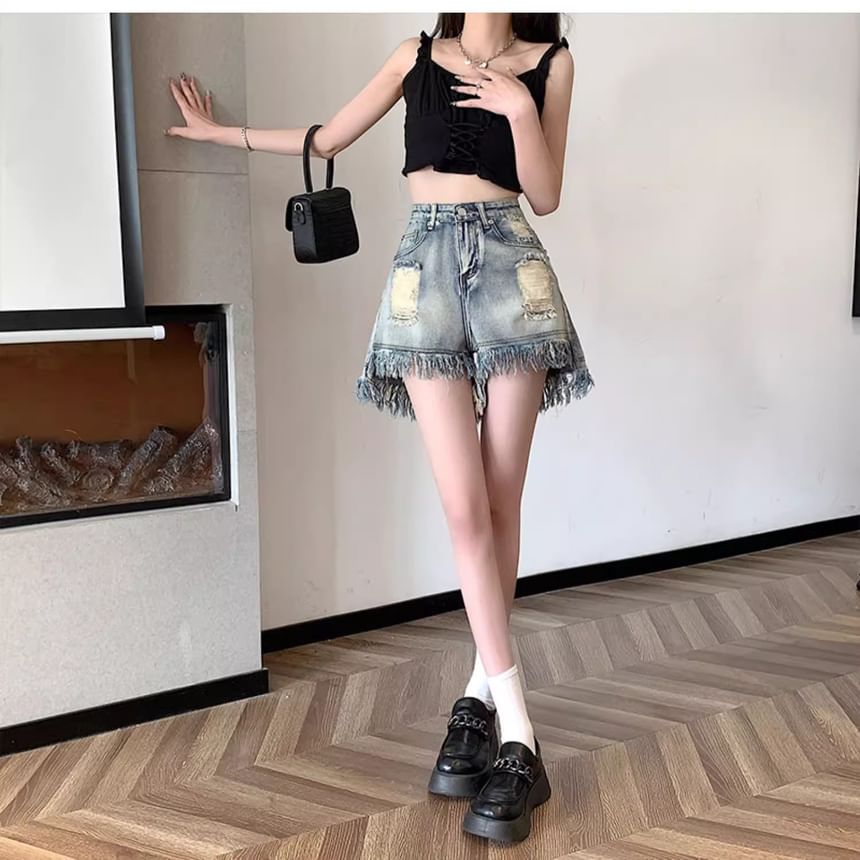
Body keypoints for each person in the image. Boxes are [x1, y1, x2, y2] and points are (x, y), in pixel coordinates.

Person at [166, 11, 595, 844]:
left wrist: (518, 108)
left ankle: (482, 703)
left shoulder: (552, 64)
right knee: (465, 510)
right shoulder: (416, 56)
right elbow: (328, 136)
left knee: (500, 502)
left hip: (513, 270)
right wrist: (222, 134)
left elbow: (545, 195)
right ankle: (516, 726)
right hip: (423, 277)